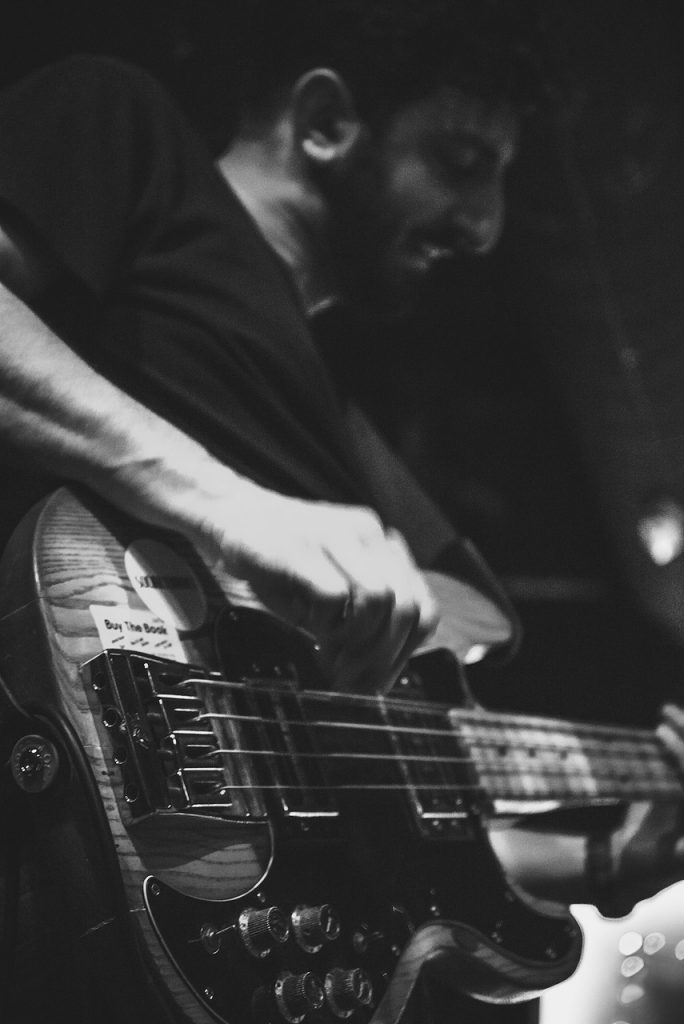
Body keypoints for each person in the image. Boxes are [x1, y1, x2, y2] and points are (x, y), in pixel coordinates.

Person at [0, 3, 682, 1022]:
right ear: (325, 121)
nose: (487, 223)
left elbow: (363, 805)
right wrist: (232, 510)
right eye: (460, 158)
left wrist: (601, 856)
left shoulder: (338, 422)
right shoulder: (121, 123)